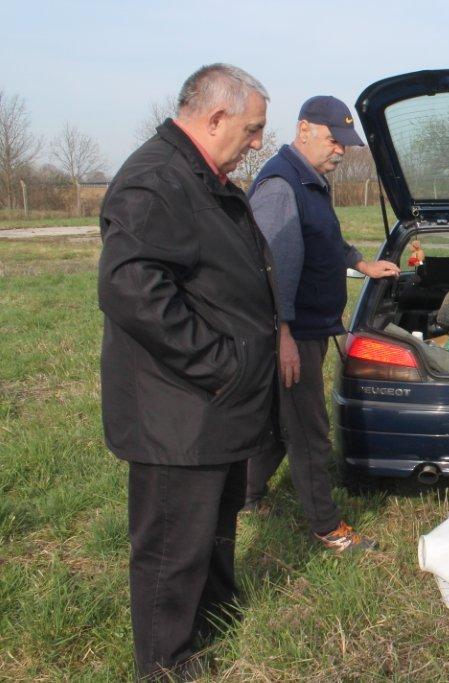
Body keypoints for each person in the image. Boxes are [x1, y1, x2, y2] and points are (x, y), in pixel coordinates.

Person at [98, 64, 278, 679]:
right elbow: (131, 289)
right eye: (252, 130)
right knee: (171, 548)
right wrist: (220, 365)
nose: (258, 143)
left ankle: (217, 616)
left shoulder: (204, 177)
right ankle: (165, 662)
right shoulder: (155, 181)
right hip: (179, 411)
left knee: (214, 527)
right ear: (216, 117)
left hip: (215, 408)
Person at [243, 96, 400, 553]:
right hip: (295, 333)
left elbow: (324, 238)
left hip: (305, 327)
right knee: (309, 433)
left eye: (346, 145)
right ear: (304, 128)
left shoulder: (309, 182)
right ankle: (328, 528)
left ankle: (247, 497)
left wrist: (361, 264)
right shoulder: (280, 187)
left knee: (279, 423)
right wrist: (284, 335)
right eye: (334, 141)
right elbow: (271, 271)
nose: (340, 151)